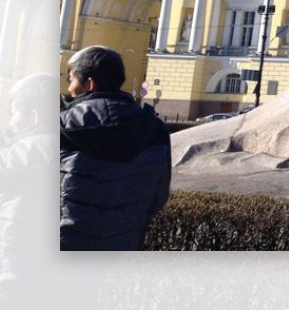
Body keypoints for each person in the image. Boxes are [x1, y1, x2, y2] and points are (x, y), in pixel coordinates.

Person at [59, 46, 171, 250]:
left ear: (90, 83)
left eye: (72, 80)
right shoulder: (155, 130)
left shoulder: (61, 125)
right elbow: (158, 196)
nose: (69, 89)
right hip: (123, 246)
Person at [1, 74, 57, 296]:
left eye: (13, 112)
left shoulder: (30, 151)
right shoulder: (62, 143)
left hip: (14, 263)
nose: (10, 120)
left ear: (34, 116)